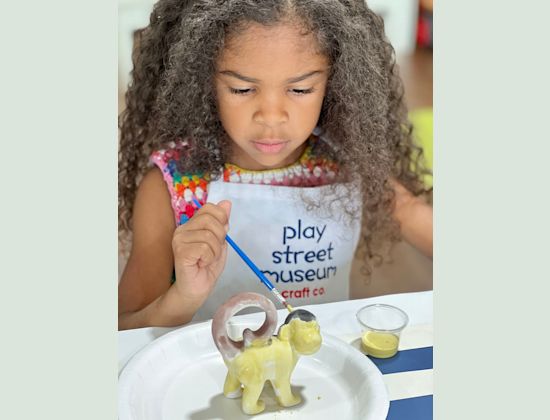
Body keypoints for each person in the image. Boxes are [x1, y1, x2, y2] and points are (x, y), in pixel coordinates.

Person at [118, 0, 433, 330]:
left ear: (337, 83)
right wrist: (183, 296)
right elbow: (124, 329)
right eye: (242, 88)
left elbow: (412, 213)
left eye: (300, 89)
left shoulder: (348, 162)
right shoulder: (172, 185)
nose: (270, 117)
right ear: (200, 81)